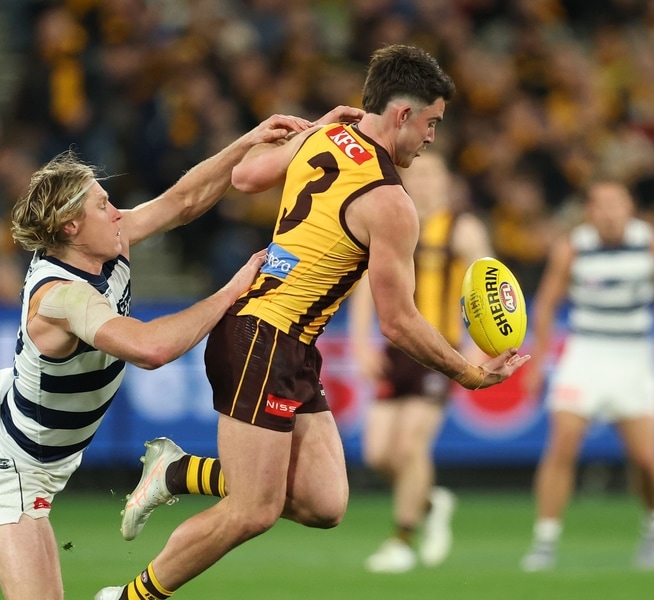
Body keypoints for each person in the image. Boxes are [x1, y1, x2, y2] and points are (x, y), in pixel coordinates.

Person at [0, 108, 365, 600]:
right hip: (16, 473)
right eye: (102, 205)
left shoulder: (104, 242)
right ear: (71, 227)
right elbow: (152, 349)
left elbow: (184, 201)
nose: (117, 211)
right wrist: (231, 291)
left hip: (21, 426)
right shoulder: (61, 298)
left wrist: (251, 141)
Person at [97, 44, 528, 600]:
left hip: (286, 343)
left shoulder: (327, 135)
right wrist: (468, 373)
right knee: (253, 510)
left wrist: (312, 129)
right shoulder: (391, 203)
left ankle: (177, 473)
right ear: (402, 114)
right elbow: (398, 322)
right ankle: (128, 597)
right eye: (431, 123)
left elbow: (246, 175)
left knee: (324, 503)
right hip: (264, 337)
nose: (431, 138)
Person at [349, 151, 492, 573]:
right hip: (396, 350)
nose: (426, 182)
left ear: (447, 183)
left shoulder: (462, 228)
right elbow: (365, 284)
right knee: (378, 454)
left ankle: (401, 540)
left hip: (439, 351)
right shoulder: (392, 221)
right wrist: (360, 343)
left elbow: (489, 283)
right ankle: (431, 502)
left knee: (410, 445)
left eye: (434, 174)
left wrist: (479, 349)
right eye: (420, 174)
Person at [519, 180, 654, 572]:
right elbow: (547, 304)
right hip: (585, 352)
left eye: (616, 203)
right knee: (562, 445)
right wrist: (538, 361)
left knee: (646, 458)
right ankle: (545, 540)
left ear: (629, 207)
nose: (609, 212)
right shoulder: (573, 245)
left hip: (634, 355)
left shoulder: (652, 243)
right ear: (590, 211)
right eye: (601, 205)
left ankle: (653, 526)